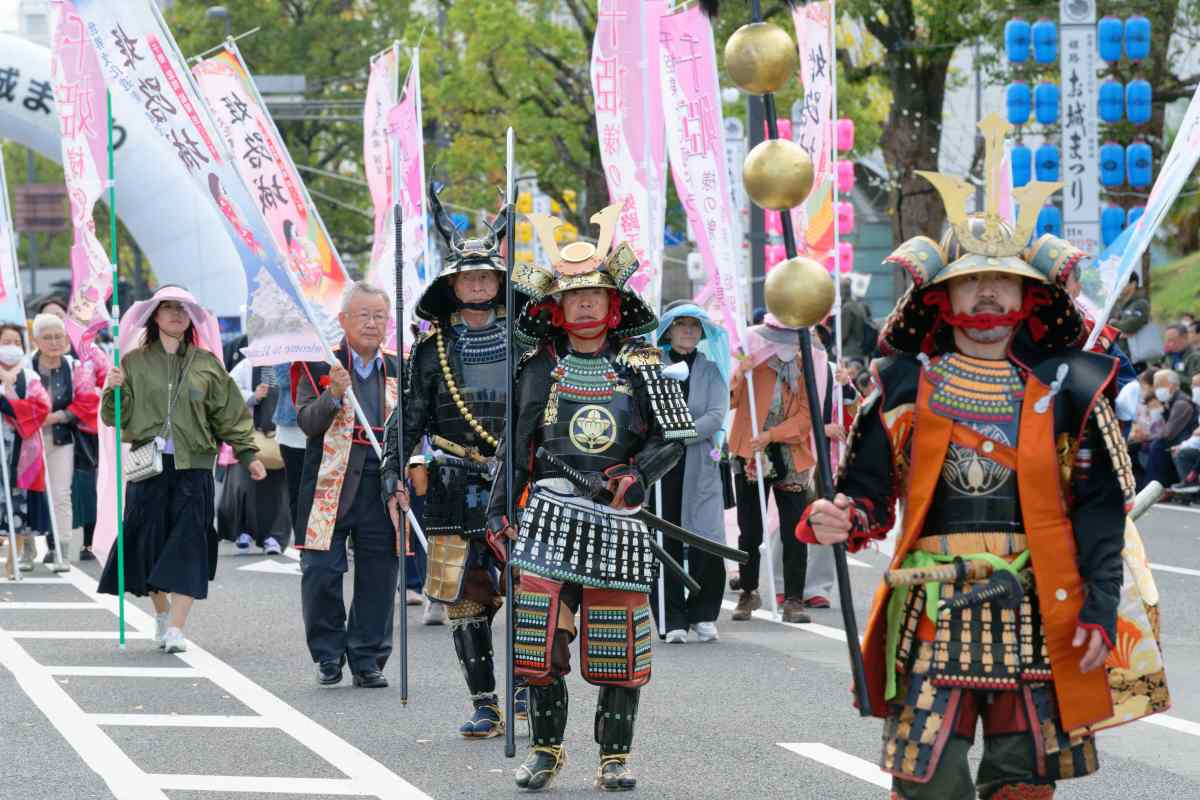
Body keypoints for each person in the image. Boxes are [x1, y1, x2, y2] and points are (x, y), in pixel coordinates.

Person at [799, 121, 1154, 798]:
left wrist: (1099, 611)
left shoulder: (1070, 392)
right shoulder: (905, 386)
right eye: (973, 282)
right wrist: (840, 516)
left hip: (1037, 607)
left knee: (1023, 783)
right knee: (928, 783)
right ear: (943, 296)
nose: (988, 295)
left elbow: (1102, 513)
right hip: (934, 607)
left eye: (1005, 282)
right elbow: (867, 494)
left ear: (1030, 299)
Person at [487, 206, 693, 791]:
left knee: (616, 643)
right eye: (573, 296)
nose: (584, 305)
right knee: (538, 639)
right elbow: (517, 444)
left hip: (616, 517)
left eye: (595, 295)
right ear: (557, 307)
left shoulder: (642, 363)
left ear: (612, 304)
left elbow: (674, 437)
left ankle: (615, 756)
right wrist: (499, 509)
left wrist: (639, 474)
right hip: (550, 513)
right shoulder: (536, 368)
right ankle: (547, 751)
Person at [382, 188, 511, 736]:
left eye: (486, 276)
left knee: (533, 589)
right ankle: (485, 702)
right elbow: (408, 418)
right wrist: (393, 470)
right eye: (468, 278)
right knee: (464, 597)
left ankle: (531, 688)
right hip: (453, 484)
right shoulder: (431, 352)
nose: (478, 285)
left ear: (499, 282)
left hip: (519, 481)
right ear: (452, 286)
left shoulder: (526, 343)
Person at [98, 286, 265, 653]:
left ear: (191, 319)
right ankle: (161, 613)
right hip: (148, 467)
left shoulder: (206, 364)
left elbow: (230, 414)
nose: (176, 314)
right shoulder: (133, 363)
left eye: (182, 309)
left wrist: (248, 454)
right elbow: (114, 417)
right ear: (154, 316)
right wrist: (111, 391)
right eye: (168, 308)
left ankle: (176, 627)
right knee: (147, 544)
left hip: (195, 467)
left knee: (189, 542)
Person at [294, 281, 400, 689]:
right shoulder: (321, 365)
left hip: (383, 479)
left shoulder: (398, 367)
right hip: (330, 481)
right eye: (363, 315)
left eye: (379, 316)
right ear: (343, 320)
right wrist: (333, 395)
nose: (372, 324)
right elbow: (308, 423)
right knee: (320, 569)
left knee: (379, 572)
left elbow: (414, 424)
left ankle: (367, 656)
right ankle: (327, 653)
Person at [727, 313, 838, 624]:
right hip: (749, 447)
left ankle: (793, 598)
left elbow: (808, 416)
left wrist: (772, 435)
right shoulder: (751, 358)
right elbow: (731, 400)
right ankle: (748, 591)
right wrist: (740, 374)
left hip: (791, 451)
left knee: (794, 529)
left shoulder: (809, 365)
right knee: (749, 528)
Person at [648, 301, 730, 643]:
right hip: (661, 465)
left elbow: (715, 414)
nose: (687, 331)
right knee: (662, 539)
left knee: (707, 539)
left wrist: (681, 432)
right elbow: (646, 410)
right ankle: (671, 618)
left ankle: (704, 613)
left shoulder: (711, 369)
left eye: (694, 326)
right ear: (668, 330)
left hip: (700, 464)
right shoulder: (652, 367)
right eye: (680, 325)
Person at [28, 313, 100, 568]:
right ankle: (26, 548)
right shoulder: (26, 367)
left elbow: (88, 400)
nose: (54, 342)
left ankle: (61, 549)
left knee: (61, 494)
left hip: (62, 438)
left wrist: (58, 416)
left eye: (59, 336)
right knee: (29, 493)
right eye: (47, 337)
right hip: (28, 440)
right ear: (35, 339)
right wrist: (35, 417)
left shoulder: (75, 367)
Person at [218, 358, 290, 554]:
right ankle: (244, 531)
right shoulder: (247, 364)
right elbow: (226, 391)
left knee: (279, 491)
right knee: (243, 486)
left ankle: (274, 537)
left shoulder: (292, 364)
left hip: (282, 435)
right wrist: (253, 396)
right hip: (252, 435)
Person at [0, 323, 49, 576]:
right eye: (6, 342)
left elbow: (41, 407)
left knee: (18, 508)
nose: (11, 347)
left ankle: (12, 561)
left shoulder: (30, 378)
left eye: (16, 343)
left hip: (21, 453)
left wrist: (10, 404)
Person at [1132, 368, 1197, 487]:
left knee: (1157, 445)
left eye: (1159, 385)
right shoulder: (1170, 401)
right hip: (1177, 440)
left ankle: (1154, 485)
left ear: (1171, 386)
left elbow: (1168, 434)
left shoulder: (1181, 403)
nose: (1156, 390)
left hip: (1184, 440)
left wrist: (1148, 437)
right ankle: (1142, 484)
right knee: (1137, 445)